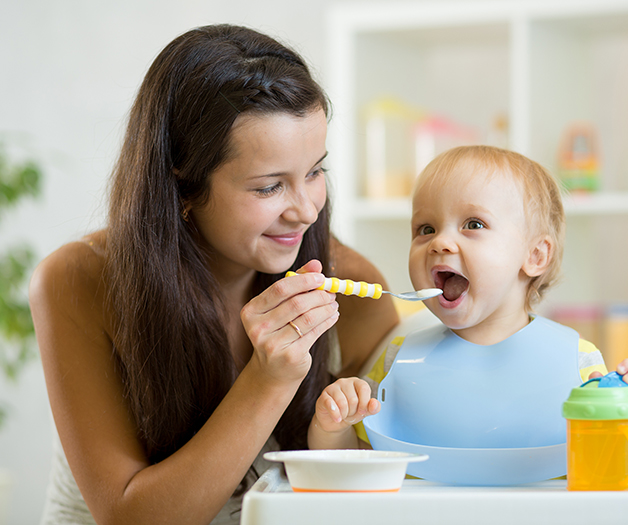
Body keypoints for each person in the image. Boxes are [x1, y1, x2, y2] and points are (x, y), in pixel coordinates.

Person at [28, 24, 398, 524]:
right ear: (181, 186)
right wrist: (267, 381)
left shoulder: (351, 288)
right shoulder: (78, 281)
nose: (307, 211)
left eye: (315, 172)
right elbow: (131, 518)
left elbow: (382, 484)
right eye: (269, 188)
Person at [307, 145, 628, 453]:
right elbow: (354, 462)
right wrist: (332, 426)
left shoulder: (578, 364)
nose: (440, 243)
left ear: (536, 256)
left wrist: (622, 412)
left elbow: (602, 464)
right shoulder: (398, 362)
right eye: (425, 229)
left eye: (473, 224)